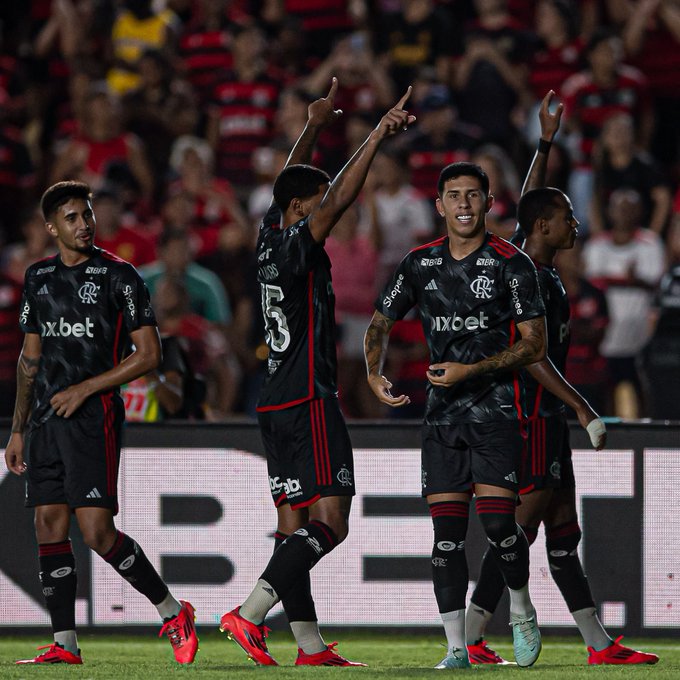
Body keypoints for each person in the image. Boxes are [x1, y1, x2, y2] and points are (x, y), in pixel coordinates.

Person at [218, 79, 414, 666]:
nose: (329, 205)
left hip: (274, 400)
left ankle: (307, 646)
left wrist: (313, 126)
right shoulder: (299, 242)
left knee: (293, 529)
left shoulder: (267, 238)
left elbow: (289, 186)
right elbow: (335, 200)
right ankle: (250, 613)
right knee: (333, 520)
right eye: (319, 200)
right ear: (304, 210)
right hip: (308, 396)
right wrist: (376, 133)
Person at [465, 91, 659, 666]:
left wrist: (546, 143)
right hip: (530, 416)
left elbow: (532, 202)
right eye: (568, 218)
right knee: (519, 535)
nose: (576, 223)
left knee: (563, 534)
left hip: (543, 416)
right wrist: (580, 406)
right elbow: (530, 354)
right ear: (546, 228)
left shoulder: (535, 265)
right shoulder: (532, 279)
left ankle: (599, 646)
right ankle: (470, 636)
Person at [4, 181, 198, 666]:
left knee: (96, 531)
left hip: (93, 417)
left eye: (86, 214)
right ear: (52, 227)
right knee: (47, 523)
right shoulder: (38, 278)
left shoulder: (120, 276)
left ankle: (173, 611)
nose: (84, 223)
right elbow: (30, 360)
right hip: (45, 421)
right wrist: (18, 429)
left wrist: (87, 388)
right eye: (71, 217)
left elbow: (149, 355)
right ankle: (65, 644)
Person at [364, 160, 547, 668]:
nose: (463, 204)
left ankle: (522, 606)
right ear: (439, 205)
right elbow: (380, 323)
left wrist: (472, 372)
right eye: (453, 195)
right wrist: (374, 373)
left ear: (489, 203)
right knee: (445, 540)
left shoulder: (513, 264)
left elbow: (535, 345)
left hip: (495, 414)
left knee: (497, 528)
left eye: (473, 195)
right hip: (442, 419)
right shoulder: (418, 264)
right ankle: (455, 649)